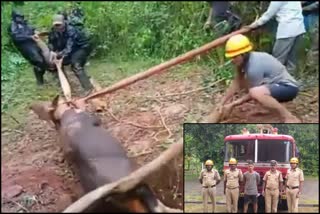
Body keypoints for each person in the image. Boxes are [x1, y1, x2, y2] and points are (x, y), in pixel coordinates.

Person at [218, 34, 300, 123]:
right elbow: (236, 82)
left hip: (289, 88)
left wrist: (233, 104)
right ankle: (270, 110)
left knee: (255, 92)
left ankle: (288, 117)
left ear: (243, 54)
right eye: (231, 57)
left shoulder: (254, 66)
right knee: (250, 87)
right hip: (275, 85)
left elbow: (253, 93)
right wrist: (222, 103)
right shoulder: (245, 60)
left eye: (234, 57)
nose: (232, 60)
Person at [243, 1, 306, 75]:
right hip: (300, 29)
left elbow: (268, 15)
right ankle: (290, 81)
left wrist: (251, 26)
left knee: (277, 60)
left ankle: (275, 80)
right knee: (292, 61)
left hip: (287, 30)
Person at [48, 14, 94, 93]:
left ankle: (88, 88)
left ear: (64, 22)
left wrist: (59, 55)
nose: (57, 27)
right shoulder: (53, 31)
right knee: (54, 65)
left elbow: (70, 47)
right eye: (56, 25)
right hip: (67, 51)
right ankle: (65, 87)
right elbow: (51, 42)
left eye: (59, 24)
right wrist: (52, 51)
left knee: (75, 65)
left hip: (80, 48)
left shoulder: (71, 30)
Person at [8, 9, 48, 86]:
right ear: (14, 17)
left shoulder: (24, 23)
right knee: (38, 60)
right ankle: (40, 83)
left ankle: (40, 79)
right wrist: (29, 37)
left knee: (44, 61)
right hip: (24, 46)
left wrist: (36, 31)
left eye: (21, 17)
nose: (20, 19)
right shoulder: (13, 25)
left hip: (32, 43)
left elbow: (31, 28)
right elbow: (16, 37)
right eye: (18, 17)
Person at [301, 1, 319, 72]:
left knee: (314, 44)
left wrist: (302, 8)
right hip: (311, 15)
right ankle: (311, 67)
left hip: (314, 15)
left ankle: (311, 67)